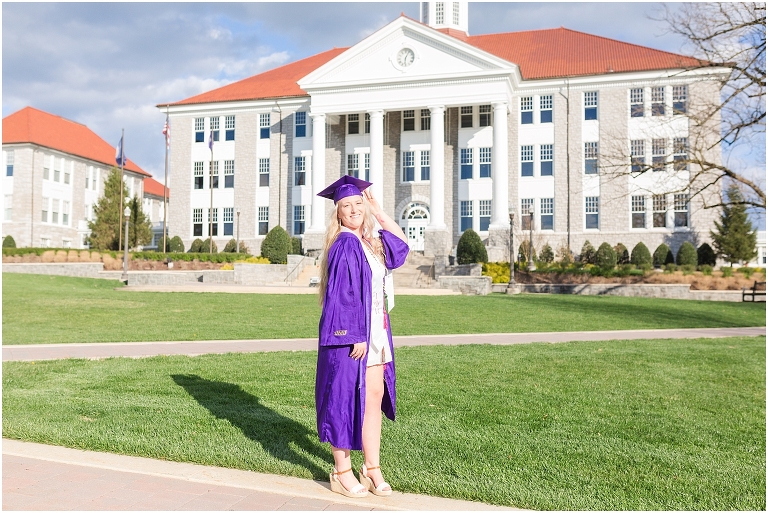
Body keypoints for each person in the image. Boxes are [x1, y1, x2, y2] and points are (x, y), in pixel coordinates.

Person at [315, 175, 409, 498]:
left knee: (373, 396)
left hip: (377, 333)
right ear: (338, 212)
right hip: (354, 337)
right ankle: (342, 471)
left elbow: (402, 247)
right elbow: (343, 296)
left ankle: (371, 468)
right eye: (347, 205)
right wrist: (355, 335)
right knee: (344, 399)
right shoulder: (345, 244)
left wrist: (379, 212)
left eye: (358, 203)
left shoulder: (368, 242)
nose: (354, 209)